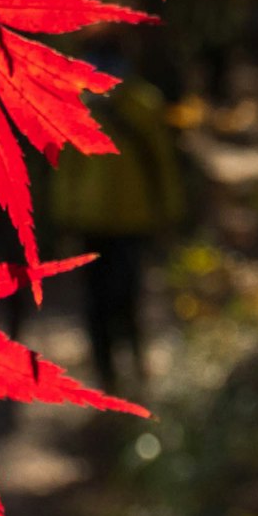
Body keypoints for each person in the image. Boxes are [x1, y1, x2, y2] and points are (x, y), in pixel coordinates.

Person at [43, 64, 187, 400]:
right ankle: (112, 374)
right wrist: (63, 217)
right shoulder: (85, 103)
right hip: (103, 221)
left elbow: (159, 162)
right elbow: (68, 167)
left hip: (120, 220)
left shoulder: (140, 103)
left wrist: (168, 211)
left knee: (121, 297)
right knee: (105, 300)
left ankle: (128, 371)